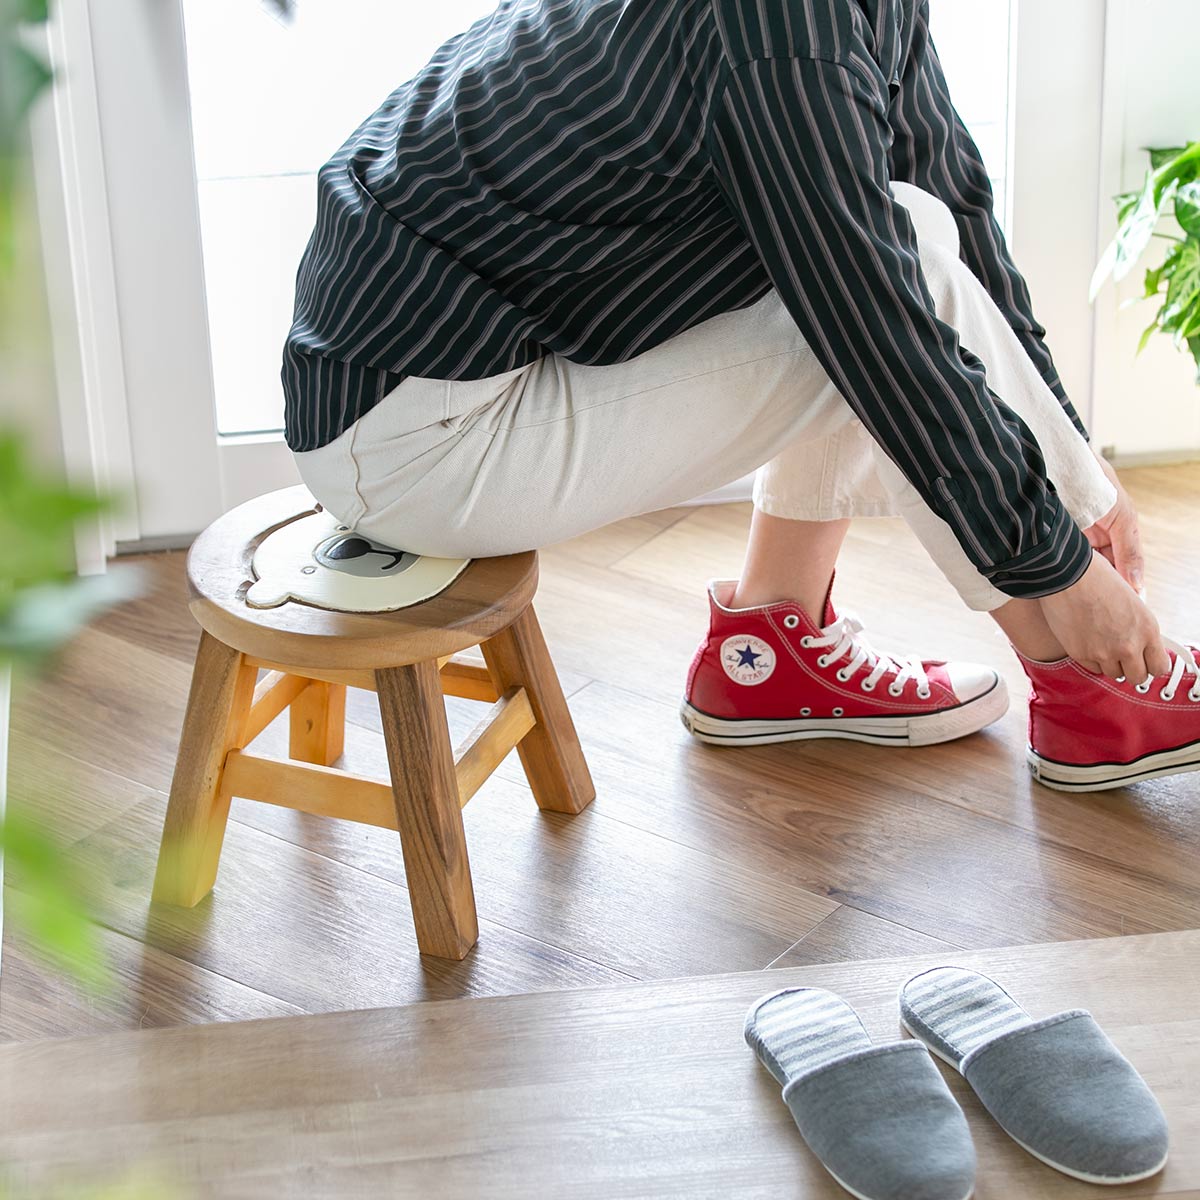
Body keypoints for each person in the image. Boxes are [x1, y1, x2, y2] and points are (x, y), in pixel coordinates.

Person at [282, 0, 1200, 792]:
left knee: (897, 231)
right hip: (412, 437)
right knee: (876, 284)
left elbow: (947, 201)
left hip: (461, 368)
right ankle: (1094, 686)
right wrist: (1061, 569)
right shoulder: (783, 27)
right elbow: (867, 311)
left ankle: (765, 650)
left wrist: (1078, 469)